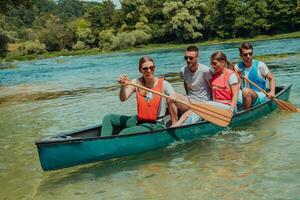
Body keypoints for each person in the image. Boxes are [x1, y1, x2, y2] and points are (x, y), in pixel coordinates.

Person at [100, 56, 177, 137]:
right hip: (139, 120)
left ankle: (110, 144)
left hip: (156, 124)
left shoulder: (164, 84)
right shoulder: (135, 82)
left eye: (152, 68)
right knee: (108, 118)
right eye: (145, 69)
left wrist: (173, 97)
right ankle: (103, 143)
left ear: (154, 68)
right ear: (140, 70)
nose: (149, 71)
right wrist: (123, 86)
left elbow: (173, 94)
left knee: (125, 132)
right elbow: (123, 98)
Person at [172, 51, 239, 127]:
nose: (212, 66)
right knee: (196, 110)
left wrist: (231, 110)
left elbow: (235, 95)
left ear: (223, 63)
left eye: (214, 64)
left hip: (228, 107)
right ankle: (183, 125)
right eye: (211, 64)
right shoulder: (214, 75)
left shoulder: (231, 75)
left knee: (201, 105)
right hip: (215, 106)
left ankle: (184, 126)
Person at [235, 42, 275, 109]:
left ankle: (245, 113)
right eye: (245, 54)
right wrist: (238, 76)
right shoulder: (236, 67)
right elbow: (236, 85)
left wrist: (272, 92)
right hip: (243, 96)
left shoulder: (260, 65)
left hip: (259, 95)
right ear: (241, 56)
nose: (248, 56)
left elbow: (271, 79)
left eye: (250, 53)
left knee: (246, 91)